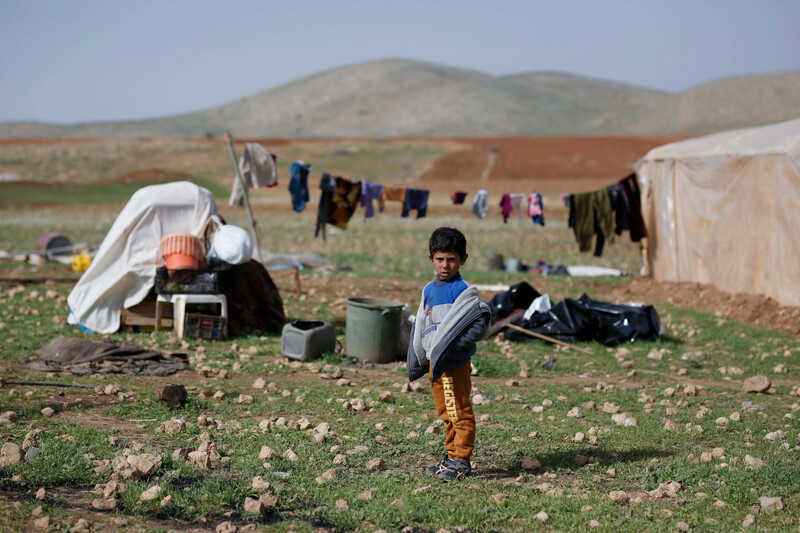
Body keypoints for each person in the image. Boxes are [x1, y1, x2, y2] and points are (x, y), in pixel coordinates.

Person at [407, 227, 491, 481]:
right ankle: (451, 456)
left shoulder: (464, 291)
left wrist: (454, 346)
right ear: (431, 257)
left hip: (453, 363)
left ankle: (461, 461)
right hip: (435, 363)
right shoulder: (429, 290)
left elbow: (479, 323)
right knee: (446, 412)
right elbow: (423, 321)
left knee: (459, 410)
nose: (445, 265)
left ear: (463, 259)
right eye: (440, 259)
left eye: (452, 259)